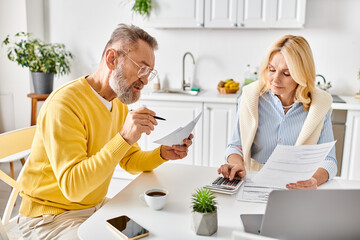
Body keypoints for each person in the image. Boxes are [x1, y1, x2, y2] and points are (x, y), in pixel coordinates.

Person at [17, 24, 193, 239]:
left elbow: (129, 160)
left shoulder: (118, 104)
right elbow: (73, 188)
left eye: (150, 72)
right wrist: (125, 136)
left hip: (94, 208)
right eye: (142, 68)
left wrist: (163, 153)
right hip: (50, 218)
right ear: (112, 59)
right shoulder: (65, 104)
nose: (145, 80)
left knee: (154, 229)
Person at [218, 35, 337, 189]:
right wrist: (236, 165)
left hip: (295, 186)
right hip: (254, 182)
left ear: (301, 75)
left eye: (286, 74)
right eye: (271, 69)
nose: (275, 79)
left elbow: (329, 161)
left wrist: (313, 180)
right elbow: (235, 146)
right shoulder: (250, 97)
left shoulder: (319, 104)